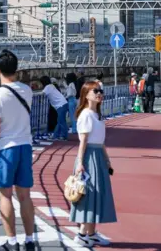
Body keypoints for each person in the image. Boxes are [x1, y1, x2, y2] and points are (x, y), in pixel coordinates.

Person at [0, 50, 36, 251]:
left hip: (5, 149)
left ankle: (12, 242)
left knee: (5, 196)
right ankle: (30, 240)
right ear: (16, 69)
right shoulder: (27, 90)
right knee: (25, 196)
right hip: (25, 146)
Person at [71, 81, 116, 246]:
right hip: (89, 157)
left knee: (97, 194)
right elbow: (83, 141)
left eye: (100, 91)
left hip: (97, 156)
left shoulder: (96, 115)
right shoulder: (86, 115)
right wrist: (80, 163)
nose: (99, 94)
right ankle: (83, 233)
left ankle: (91, 233)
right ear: (86, 94)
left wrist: (107, 159)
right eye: (95, 91)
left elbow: (101, 141)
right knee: (89, 194)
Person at [40, 76, 69, 140]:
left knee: (61, 121)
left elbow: (42, 94)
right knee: (59, 121)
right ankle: (56, 135)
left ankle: (64, 136)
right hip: (63, 104)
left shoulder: (47, 87)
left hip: (60, 105)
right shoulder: (51, 85)